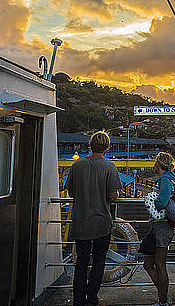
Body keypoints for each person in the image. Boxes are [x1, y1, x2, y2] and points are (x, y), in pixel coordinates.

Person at [66, 131, 122, 306]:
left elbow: (71, 192)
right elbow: (113, 195)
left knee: (81, 263)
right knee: (99, 262)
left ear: (90, 145)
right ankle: (92, 299)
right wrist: (117, 194)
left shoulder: (77, 165)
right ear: (107, 147)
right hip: (101, 223)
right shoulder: (109, 167)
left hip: (81, 222)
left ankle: (78, 300)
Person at [140, 152, 175, 306]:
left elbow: (162, 201)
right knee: (148, 265)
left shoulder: (165, 180)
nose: (153, 165)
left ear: (159, 165)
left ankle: (163, 300)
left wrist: (151, 202)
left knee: (160, 265)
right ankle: (163, 295)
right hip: (159, 227)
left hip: (163, 227)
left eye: (155, 163)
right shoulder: (166, 179)